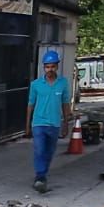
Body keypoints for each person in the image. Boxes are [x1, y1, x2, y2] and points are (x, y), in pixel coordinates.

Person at [27, 50, 73, 194]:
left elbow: (65, 104)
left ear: (57, 67)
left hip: (54, 124)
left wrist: (66, 124)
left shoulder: (63, 83)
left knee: (49, 151)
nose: (50, 70)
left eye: (52, 66)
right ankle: (40, 176)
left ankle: (43, 175)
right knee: (39, 150)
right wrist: (27, 124)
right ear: (43, 67)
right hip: (38, 123)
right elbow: (30, 104)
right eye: (47, 67)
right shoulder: (35, 85)